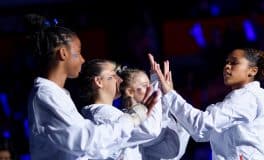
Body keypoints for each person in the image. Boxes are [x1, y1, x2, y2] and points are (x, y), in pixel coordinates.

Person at [25, 14, 159, 160]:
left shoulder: (56, 94)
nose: (83, 60)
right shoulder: (46, 95)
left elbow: (90, 149)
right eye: (78, 53)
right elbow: (83, 141)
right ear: (63, 54)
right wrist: (131, 118)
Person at [149, 48, 264, 160]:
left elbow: (201, 125)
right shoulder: (239, 100)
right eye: (227, 62)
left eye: (234, 62)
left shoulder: (249, 97)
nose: (227, 66)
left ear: (252, 71)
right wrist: (169, 97)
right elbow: (202, 133)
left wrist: (170, 95)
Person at [76, 59, 162, 160]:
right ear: (99, 82)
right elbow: (150, 129)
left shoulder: (110, 113)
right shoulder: (104, 115)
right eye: (113, 76)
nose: (120, 80)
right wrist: (156, 88)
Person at [117, 66, 190, 160]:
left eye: (150, 85)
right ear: (130, 92)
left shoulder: (147, 122)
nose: (150, 89)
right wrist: (157, 87)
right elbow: (151, 130)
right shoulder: (123, 118)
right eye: (144, 85)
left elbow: (171, 151)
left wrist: (169, 97)